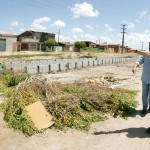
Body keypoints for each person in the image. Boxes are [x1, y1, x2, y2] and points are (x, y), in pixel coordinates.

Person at [128, 49, 150, 115]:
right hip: (145, 79)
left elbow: (148, 55)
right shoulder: (144, 54)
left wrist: (136, 51)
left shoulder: (146, 54)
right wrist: (134, 67)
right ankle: (144, 108)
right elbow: (138, 61)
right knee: (144, 95)